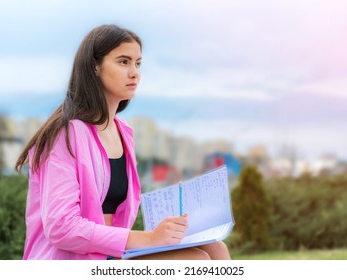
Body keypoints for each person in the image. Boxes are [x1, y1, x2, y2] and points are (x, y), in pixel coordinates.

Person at [15, 24, 231, 260]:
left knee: (216, 248)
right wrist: (147, 238)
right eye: (123, 61)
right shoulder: (64, 134)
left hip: (111, 255)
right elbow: (61, 227)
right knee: (195, 260)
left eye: (138, 63)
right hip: (73, 260)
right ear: (95, 67)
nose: (134, 72)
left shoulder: (124, 132)